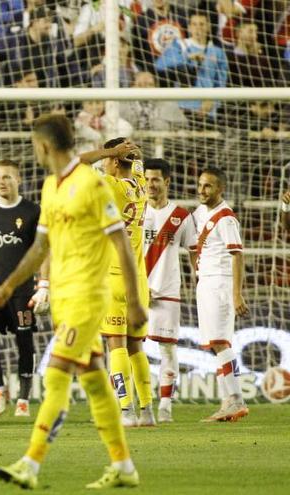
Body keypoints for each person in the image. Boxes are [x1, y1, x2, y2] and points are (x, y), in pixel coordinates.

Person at [0, 114, 144, 489]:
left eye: (34, 144)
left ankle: (31, 462)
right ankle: (123, 467)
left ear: (43, 146)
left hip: (90, 299)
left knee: (57, 372)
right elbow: (41, 244)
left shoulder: (93, 184)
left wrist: (136, 300)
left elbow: (121, 242)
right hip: (63, 298)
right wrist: (10, 285)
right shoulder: (49, 187)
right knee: (93, 380)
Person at [79, 138, 154, 427]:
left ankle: (126, 410)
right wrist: (132, 153)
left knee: (116, 345)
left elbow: (78, 162)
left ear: (112, 161)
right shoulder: (140, 184)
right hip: (138, 279)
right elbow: (136, 162)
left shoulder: (110, 185)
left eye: (108, 160)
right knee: (137, 346)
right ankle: (147, 409)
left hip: (112, 277)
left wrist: (112, 150)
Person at [0, 159, 45, 418]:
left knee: (24, 339)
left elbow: (42, 249)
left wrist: (44, 285)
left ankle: (23, 399)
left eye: (7, 177)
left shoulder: (32, 211)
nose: (1, 182)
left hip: (22, 287)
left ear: (18, 180)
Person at [193, 167, 250, 422]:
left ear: (220, 189)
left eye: (208, 186)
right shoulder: (200, 213)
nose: (202, 190)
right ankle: (229, 400)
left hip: (220, 285)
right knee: (216, 345)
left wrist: (236, 294)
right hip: (205, 283)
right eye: (201, 185)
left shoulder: (226, 217)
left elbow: (237, 255)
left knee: (220, 343)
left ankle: (236, 399)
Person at [142, 158, 197, 423]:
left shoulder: (181, 216)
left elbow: (194, 253)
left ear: (166, 181)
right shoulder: (134, 212)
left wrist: (200, 280)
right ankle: (135, 404)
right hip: (134, 293)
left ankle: (165, 405)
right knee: (128, 350)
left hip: (167, 291)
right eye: (147, 179)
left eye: (155, 180)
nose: (150, 185)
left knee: (167, 350)